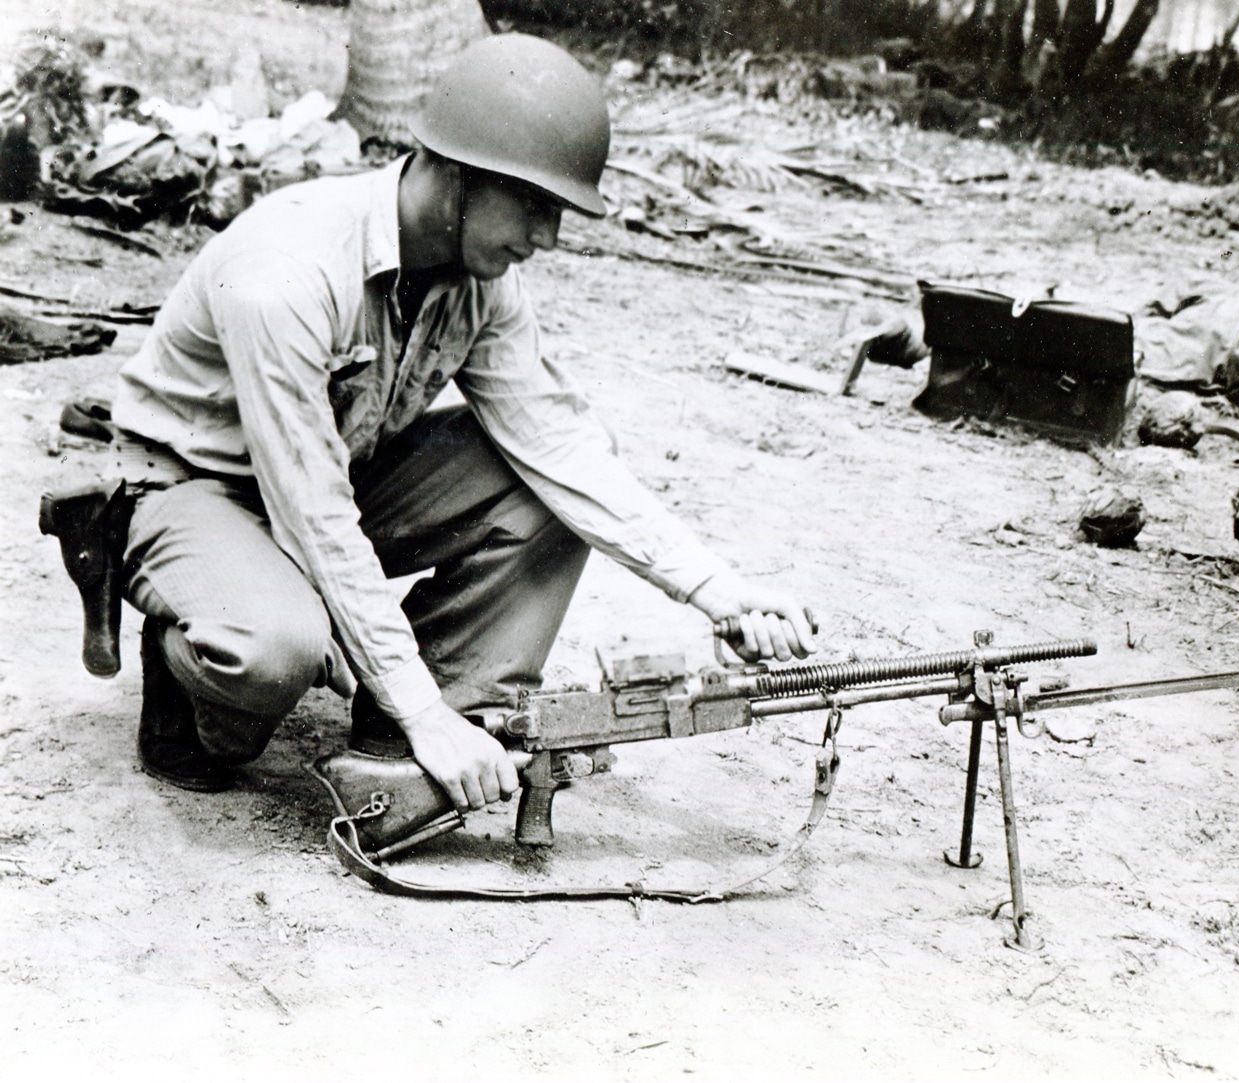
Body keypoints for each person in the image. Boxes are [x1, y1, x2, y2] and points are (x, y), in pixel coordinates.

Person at [105, 33, 817, 818]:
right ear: (458, 175)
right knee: (277, 650)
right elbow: (312, 514)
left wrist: (722, 592)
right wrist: (420, 706)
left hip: (328, 478)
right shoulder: (291, 271)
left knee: (547, 484)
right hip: (192, 487)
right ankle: (187, 659)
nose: (546, 238)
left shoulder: (480, 279)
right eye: (536, 206)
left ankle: (426, 718)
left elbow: (562, 449)